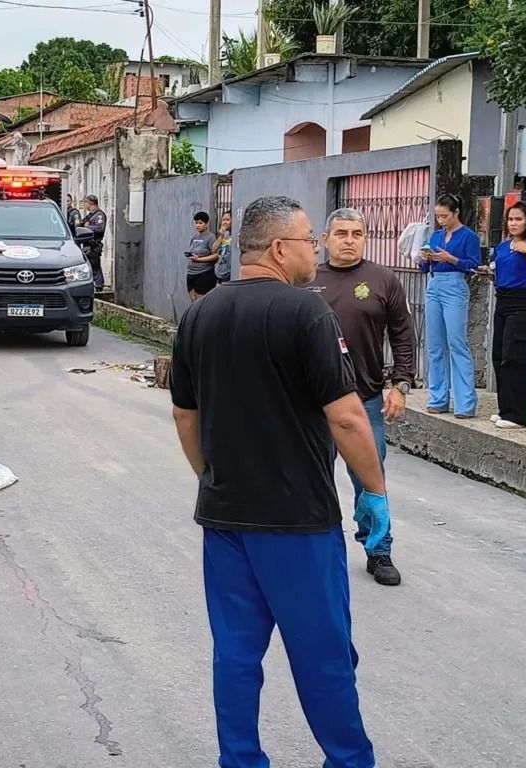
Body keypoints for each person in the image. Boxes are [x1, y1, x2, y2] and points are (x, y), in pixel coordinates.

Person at [170, 195, 389, 768]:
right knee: (325, 656)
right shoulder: (306, 313)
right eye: (309, 239)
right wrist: (375, 492)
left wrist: (212, 477)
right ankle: (349, 761)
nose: (315, 249)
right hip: (297, 523)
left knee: (237, 655)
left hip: (225, 521)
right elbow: (346, 415)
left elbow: (184, 417)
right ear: (278, 248)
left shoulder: (198, 315)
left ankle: (240, 761)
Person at [308, 207, 416, 587]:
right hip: (310, 402)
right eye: (341, 233)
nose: (349, 240)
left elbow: (404, 334)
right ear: (325, 240)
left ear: (365, 239)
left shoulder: (383, 280)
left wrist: (400, 384)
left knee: (371, 478)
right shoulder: (305, 279)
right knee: (309, 479)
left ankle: (379, 550)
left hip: (365, 399)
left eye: (356, 233)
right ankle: (312, 550)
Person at [483, 201, 526, 429]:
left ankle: (519, 415)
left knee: (514, 357)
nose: (513, 223)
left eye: (518, 219)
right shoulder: (502, 247)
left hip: (525, 305)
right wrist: (486, 272)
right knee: (499, 356)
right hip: (503, 300)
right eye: (510, 219)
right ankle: (506, 409)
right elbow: (501, 273)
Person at [420, 192, 480, 418]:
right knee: (435, 345)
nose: (441, 221)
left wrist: (451, 259)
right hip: (435, 283)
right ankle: (438, 397)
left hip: (455, 283)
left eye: (445, 216)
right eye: (438, 216)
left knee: (456, 341)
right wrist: (425, 259)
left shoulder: (468, 237)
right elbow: (424, 267)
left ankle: (464, 401)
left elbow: (474, 266)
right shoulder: (435, 236)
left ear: (456, 213)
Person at [185, 210, 219, 301]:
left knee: (200, 301)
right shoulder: (195, 237)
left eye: (200, 223)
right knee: (193, 300)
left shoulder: (210, 237)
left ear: (206, 224)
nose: (198, 225)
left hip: (204, 272)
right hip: (191, 272)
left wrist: (200, 259)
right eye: (196, 223)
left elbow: (216, 255)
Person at [81, 194, 106, 289]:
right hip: (87, 245)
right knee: (90, 265)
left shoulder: (99, 215)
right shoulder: (91, 215)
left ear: (90, 203)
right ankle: (95, 284)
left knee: (94, 265)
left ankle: (99, 285)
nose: (85, 205)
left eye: (86, 202)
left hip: (94, 245)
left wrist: (88, 227)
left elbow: (100, 228)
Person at [214, 210, 232, 285]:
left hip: (230, 273)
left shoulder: (235, 235)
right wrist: (221, 236)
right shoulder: (222, 236)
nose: (224, 222)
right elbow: (213, 249)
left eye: (227, 220)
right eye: (223, 220)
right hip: (220, 271)